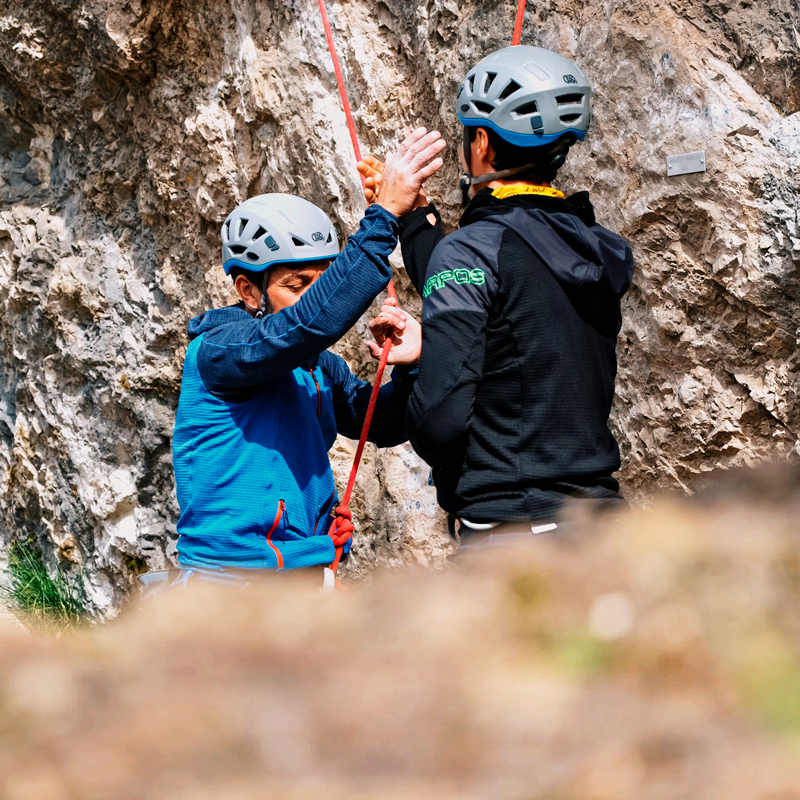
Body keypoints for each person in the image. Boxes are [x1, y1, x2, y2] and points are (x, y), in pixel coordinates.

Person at [358, 47, 635, 551]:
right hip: (600, 524)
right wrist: (416, 216)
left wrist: (423, 363)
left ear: (480, 141)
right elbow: (512, 303)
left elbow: (440, 421)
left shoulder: (476, 250)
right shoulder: (593, 243)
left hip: (514, 534)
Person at [168, 128, 446, 582]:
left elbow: (384, 422)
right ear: (247, 288)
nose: (314, 295)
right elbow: (308, 325)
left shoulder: (318, 366)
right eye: (297, 285)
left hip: (306, 573)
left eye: (324, 279)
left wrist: (413, 366)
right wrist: (383, 218)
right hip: (230, 581)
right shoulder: (220, 350)